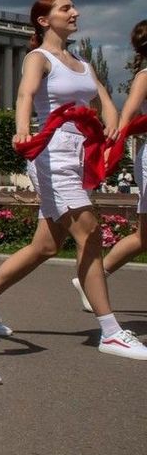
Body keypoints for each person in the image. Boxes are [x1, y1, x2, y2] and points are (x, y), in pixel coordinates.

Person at [0, 0, 145, 359]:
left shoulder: (81, 63)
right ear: (44, 21)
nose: (74, 12)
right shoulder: (38, 58)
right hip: (52, 154)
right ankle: (109, 330)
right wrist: (20, 130)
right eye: (65, 9)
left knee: (45, 246)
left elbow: (105, 100)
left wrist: (112, 127)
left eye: (74, 7)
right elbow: (25, 94)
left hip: (79, 153)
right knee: (90, 231)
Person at [78, 19, 147, 310]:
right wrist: (110, 148)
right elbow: (128, 113)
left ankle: (96, 276)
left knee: (144, 237)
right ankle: (95, 279)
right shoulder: (146, 75)